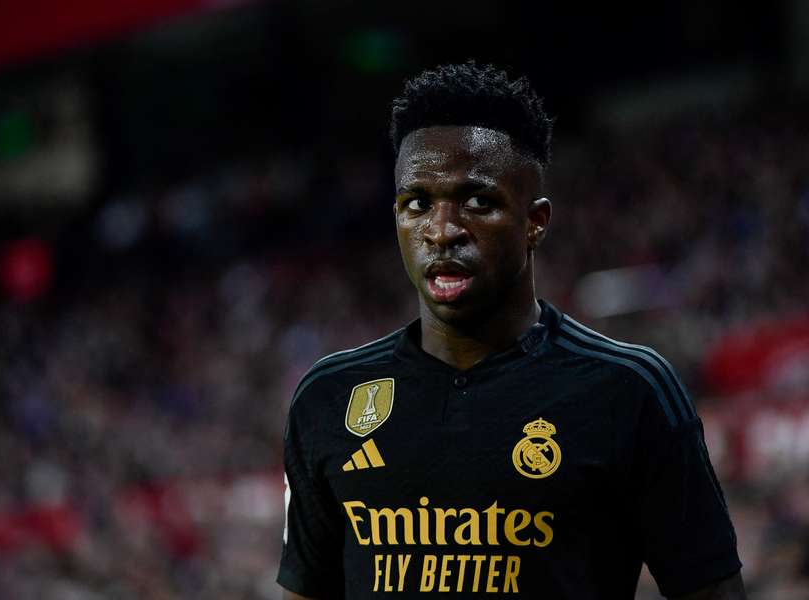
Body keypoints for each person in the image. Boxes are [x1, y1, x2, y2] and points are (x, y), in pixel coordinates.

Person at [277, 61, 745, 600]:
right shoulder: (327, 397)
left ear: (535, 221)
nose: (442, 230)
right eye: (417, 204)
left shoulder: (630, 389)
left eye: (478, 201)